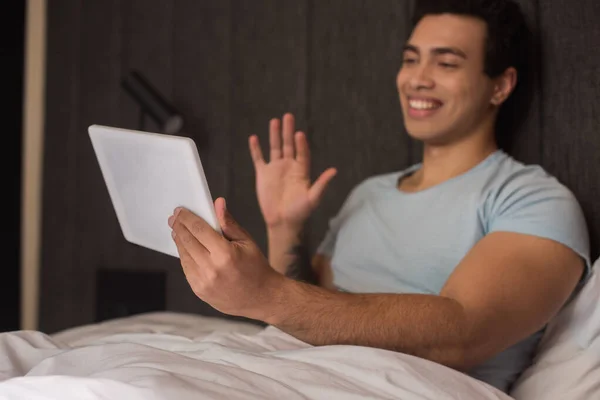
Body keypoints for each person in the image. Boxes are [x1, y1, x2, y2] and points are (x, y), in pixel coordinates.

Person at [167, 0, 591, 393]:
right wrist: (284, 227)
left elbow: (465, 331)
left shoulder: (534, 201)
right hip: (297, 375)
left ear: (500, 85)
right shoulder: (368, 195)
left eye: (445, 62)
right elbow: (308, 313)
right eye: (410, 59)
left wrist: (267, 295)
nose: (417, 79)